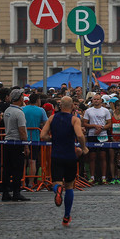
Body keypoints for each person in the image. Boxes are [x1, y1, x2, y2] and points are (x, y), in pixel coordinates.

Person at [41, 96, 88, 226]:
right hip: (70, 155)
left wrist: (52, 140)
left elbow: (42, 136)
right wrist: (83, 147)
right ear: (72, 106)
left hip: (56, 155)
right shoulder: (74, 120)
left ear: (60, 105)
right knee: (69, 186)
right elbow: (79, 135)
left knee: (56, 182)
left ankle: (57, 189)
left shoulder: (52, 118)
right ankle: (66, 216)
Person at [2, 89, 29, 201]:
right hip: (17, 143)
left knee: (7, 169)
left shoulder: (8, 110)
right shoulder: (19, 112)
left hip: (7, 142)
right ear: (20, 98)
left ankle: (5, 192)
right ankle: (16, 192)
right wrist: (26, 145)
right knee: (17, 169)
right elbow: (22, 131)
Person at [22, 92, 48, 189]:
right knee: (32, 161)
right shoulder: (41, 110)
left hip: (23, 137)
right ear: (38, 100)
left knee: (23, 161)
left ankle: (22, 182)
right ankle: (31, 183)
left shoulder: (22, 109)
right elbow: (46, 124)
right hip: (35, 138)